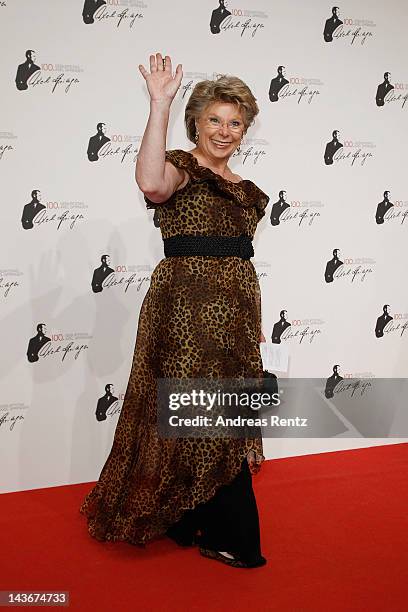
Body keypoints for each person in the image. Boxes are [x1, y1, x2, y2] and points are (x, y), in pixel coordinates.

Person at [79, 52, 270, 569]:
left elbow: (241, 266)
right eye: (215, 120)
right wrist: (159, 103)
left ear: (245, 128)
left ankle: (187, 516)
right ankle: (237, 538)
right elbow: (150, 182)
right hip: (182, 315)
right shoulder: (182, 170)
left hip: (234, 319)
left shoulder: (250, 193)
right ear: (197, 122)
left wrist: (252, 327)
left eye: (235, 122)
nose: (225, 131)